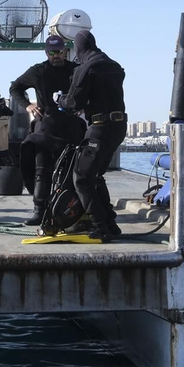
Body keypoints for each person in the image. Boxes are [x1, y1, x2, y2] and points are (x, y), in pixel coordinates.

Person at [9, 35, 83, 225]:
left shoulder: (75, 71)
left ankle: (66, 209)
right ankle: (39, 211)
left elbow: (90, 91)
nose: (55, 56)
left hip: (70, 129)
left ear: (65, 51)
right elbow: (15, 87)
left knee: (68, 173)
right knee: (42, 171)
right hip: (45, 129)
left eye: (58, 52)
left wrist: (83, 106)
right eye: (51, 53)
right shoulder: (38, 71)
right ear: (46, 53)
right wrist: (27, 106)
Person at [64, 30, 127, 242]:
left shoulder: (86, 67)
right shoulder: (114, 66)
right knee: (95, 176)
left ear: (79, 48)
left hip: (100, 126)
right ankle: (110, 223)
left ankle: (100, 226)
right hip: (119, 126)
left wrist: (61, 100)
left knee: (82, 177)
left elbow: (75, 102)